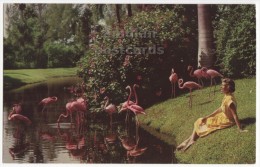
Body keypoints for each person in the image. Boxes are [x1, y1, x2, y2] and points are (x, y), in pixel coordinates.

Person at [176, 78, 248, 151]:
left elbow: (235, 115)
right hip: (223, 116)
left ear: (228, 88)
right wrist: (208, 116)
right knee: (202, 120)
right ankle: (188, 140)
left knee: (201, 122)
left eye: (222, 85)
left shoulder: (230, 100)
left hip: (227, 121)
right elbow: (220, 109)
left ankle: (190, 141)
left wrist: (240, 129)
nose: (221, 87)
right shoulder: (227, 96)